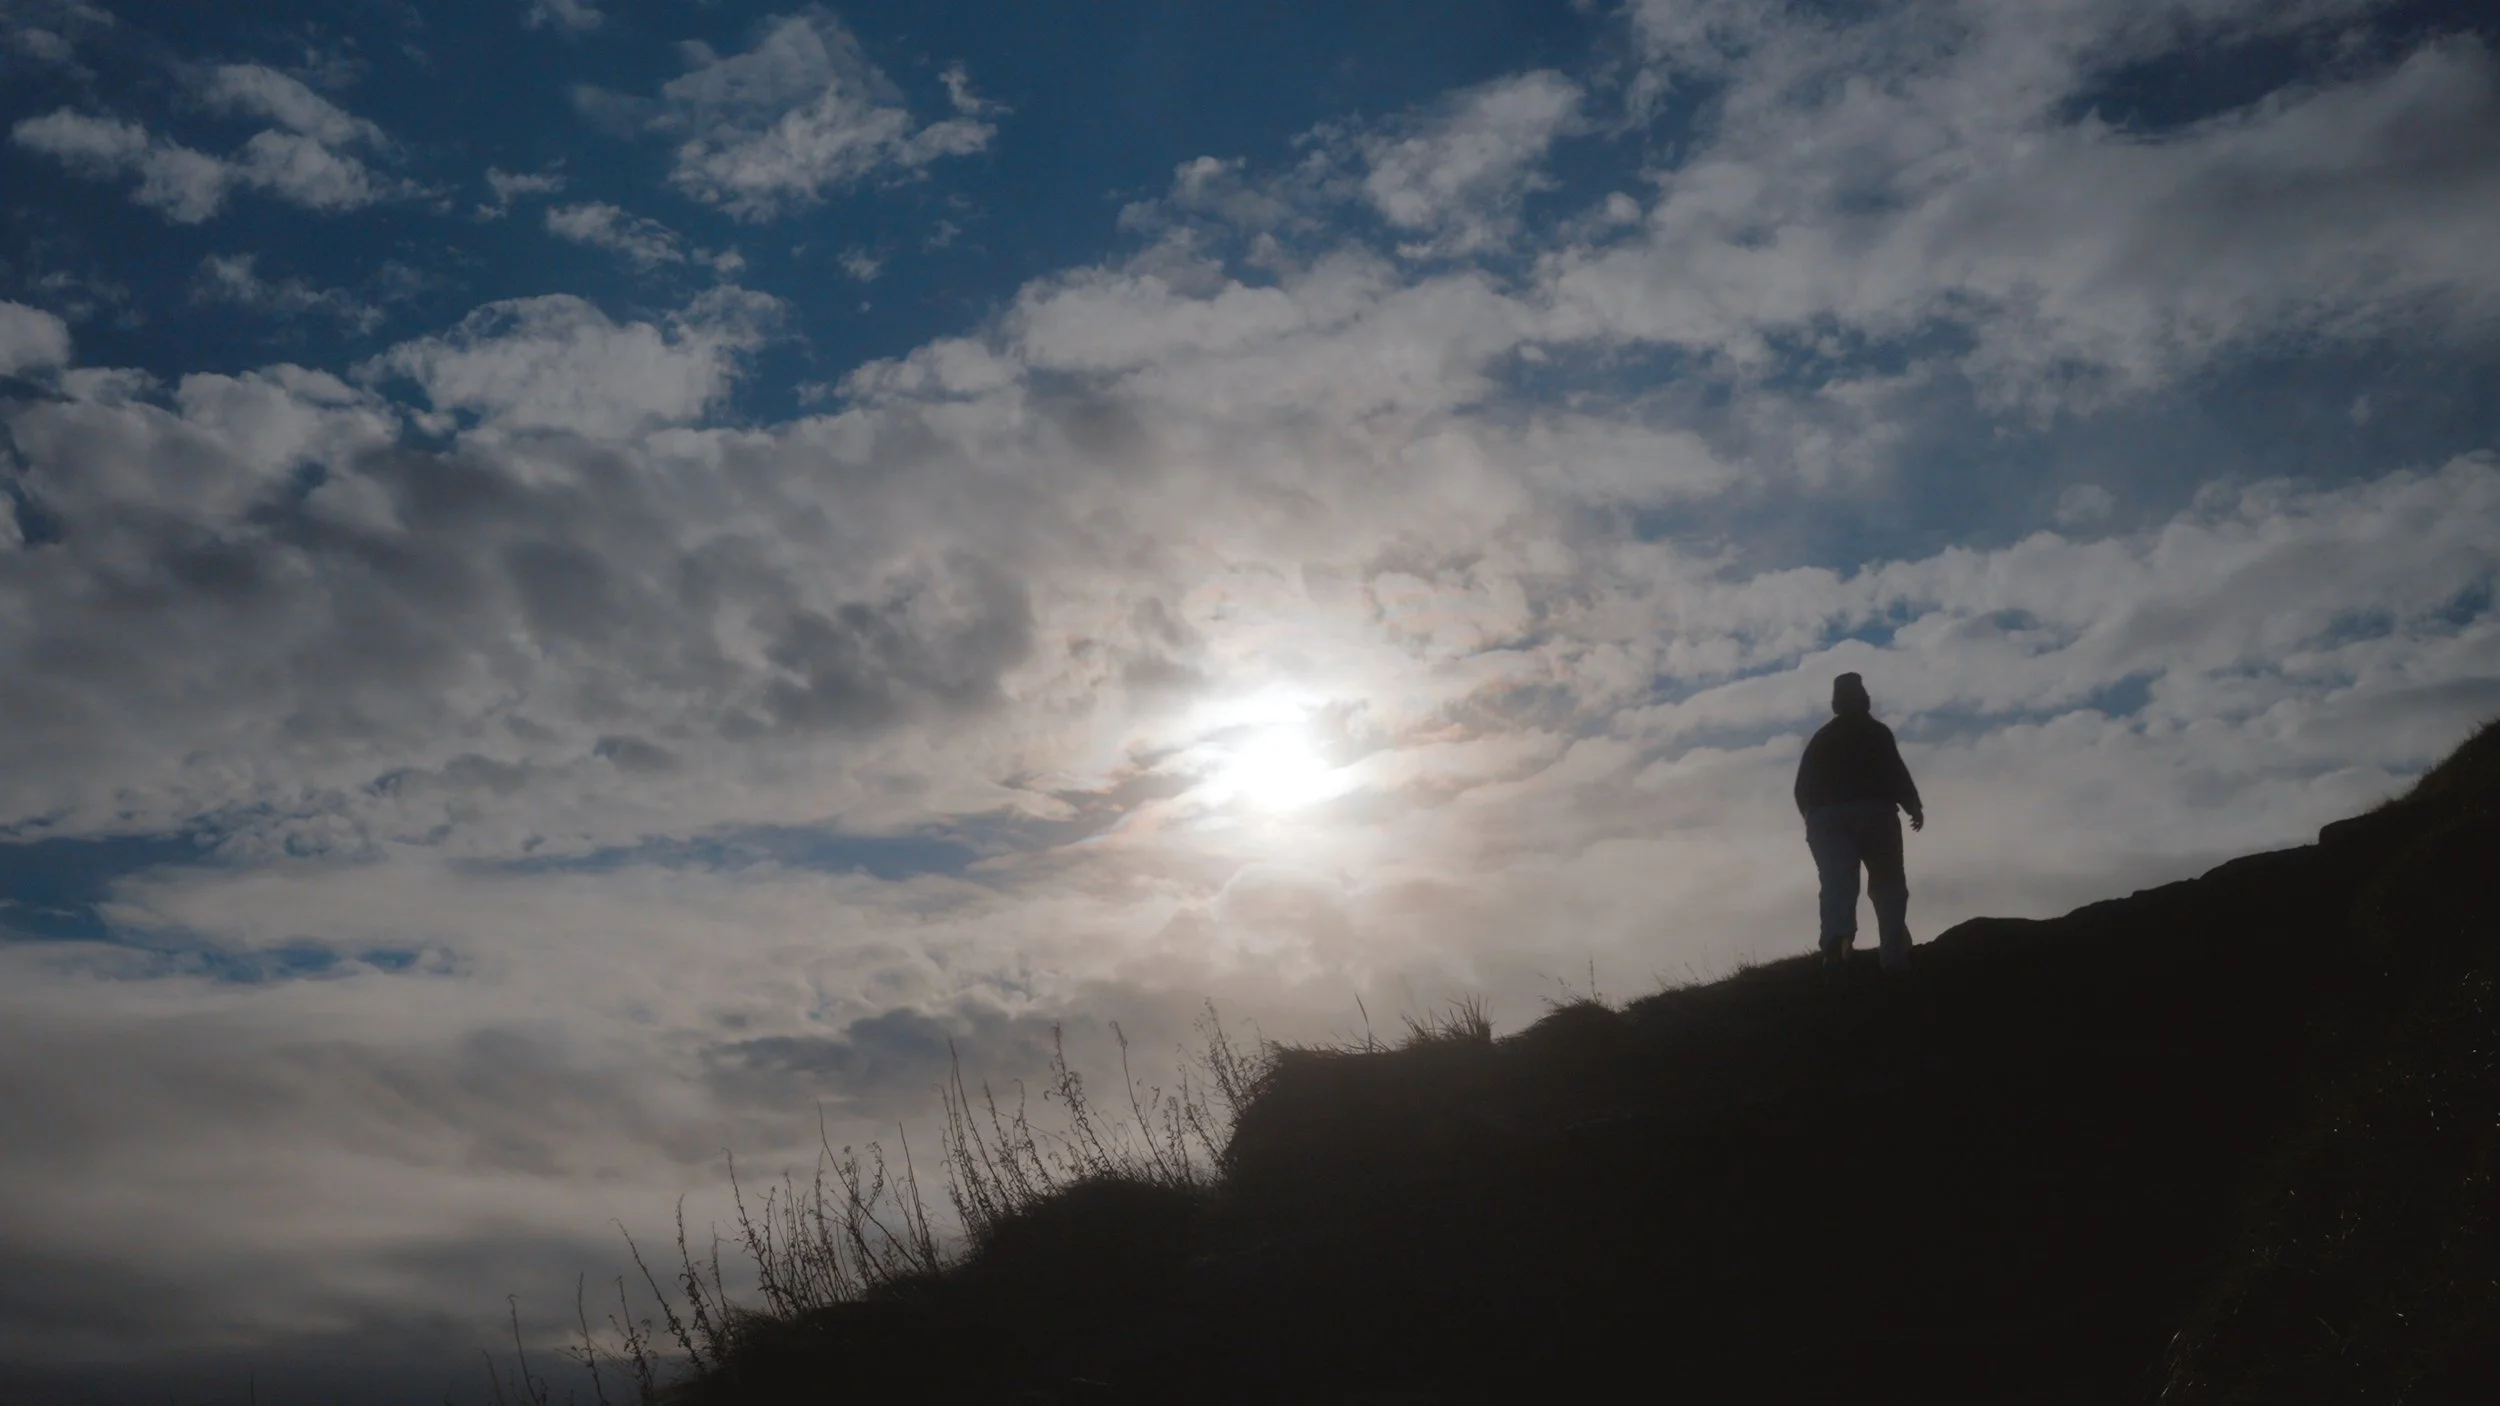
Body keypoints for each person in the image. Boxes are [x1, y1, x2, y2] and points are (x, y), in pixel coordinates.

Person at [1794, 672, 1925, 975]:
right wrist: (1912, 805)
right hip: (1875, 812)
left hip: (1826, 817)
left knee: (1837, 883)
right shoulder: (1876, 733)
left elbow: (1802, 787)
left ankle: (1836, 946)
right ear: (1864, 700)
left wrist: (1812, 820)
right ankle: (1893, 953)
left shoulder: (1821, 739)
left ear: (1835, 703)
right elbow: (1895, 771)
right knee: (1888, 882)